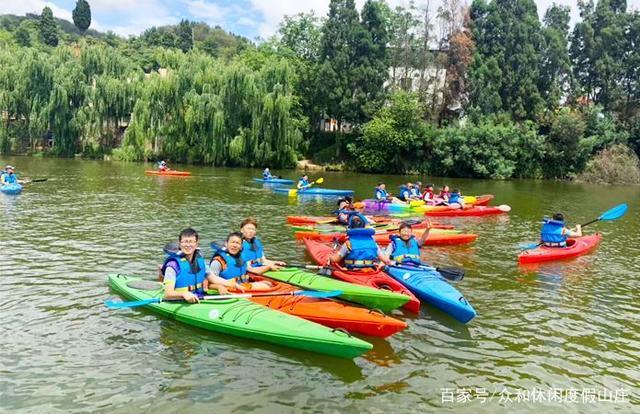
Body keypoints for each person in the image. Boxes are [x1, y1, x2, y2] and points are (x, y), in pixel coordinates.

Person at [160, 228, 239, 303]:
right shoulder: (173, 265)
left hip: (200, 296)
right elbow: (168, 294)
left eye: (191, 241)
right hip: (179, 300)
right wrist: (184, 294)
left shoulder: (200, 261)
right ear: (180, 244)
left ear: (196, 244)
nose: (188, 245)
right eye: (185, 242)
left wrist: (233, 284)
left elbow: (213, 278)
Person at [209, 232, 274, 291]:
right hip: (230, 288)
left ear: (241, 247)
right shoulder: (218, 261)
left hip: (243, 285)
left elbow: (250, 270)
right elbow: (210, 283)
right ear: (226, 244)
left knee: (268, 283)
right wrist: (219, 287)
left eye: (237, 243)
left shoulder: (241, 257)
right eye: (232, 242)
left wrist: (269, 267)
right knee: (266, 287)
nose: (234, 245)